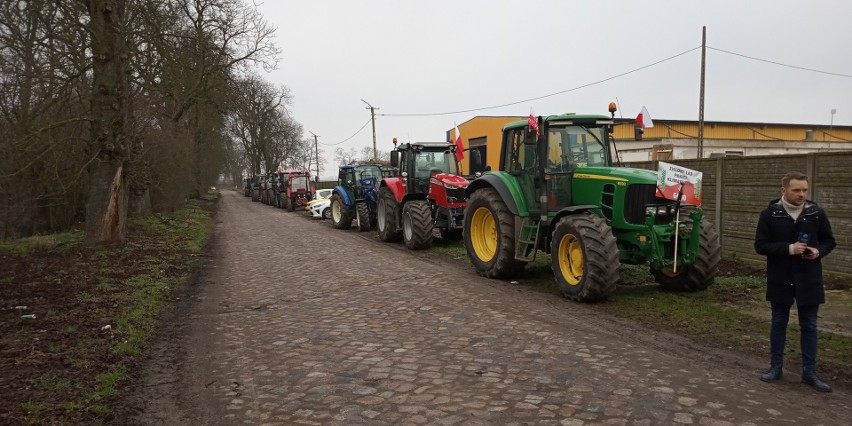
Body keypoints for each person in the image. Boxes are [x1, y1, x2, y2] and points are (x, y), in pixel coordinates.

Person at [754, 171, 836, 392]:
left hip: (809, 278)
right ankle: (775, 367)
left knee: (809, 325)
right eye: (796, 190)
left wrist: (817, 251)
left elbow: (829, 241)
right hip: (780, 277)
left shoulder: (816, 214)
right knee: (778, 321)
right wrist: (789, 249)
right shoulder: (770, 214)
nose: (801, 194)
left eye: (804, 190)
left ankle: (810, 373)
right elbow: (760, 245)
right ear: (784, 190)